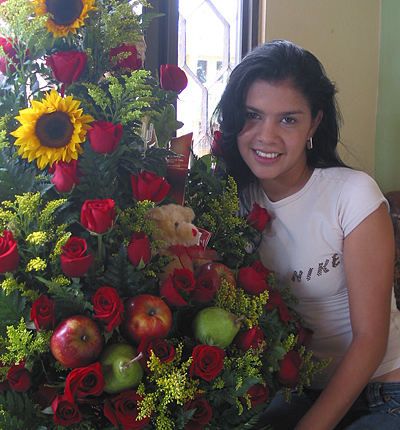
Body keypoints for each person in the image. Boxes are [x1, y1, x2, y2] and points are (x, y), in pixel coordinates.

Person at [213, 39, 400, 430]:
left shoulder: (352, 195)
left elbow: (370, 341)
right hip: (301, 391)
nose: (266, 136)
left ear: (314, 123)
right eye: (252, 115)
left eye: (288, 119)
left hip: (385, 393)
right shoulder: (234, 203)